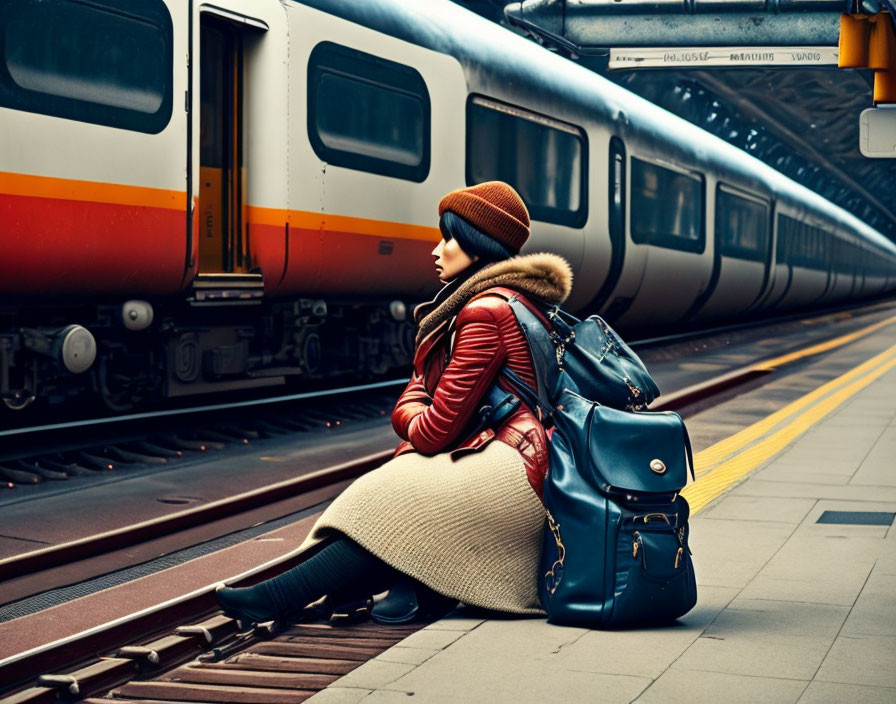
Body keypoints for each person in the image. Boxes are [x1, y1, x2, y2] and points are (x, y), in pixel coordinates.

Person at [216, 181, 573, 624]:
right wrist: (420, 399)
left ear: (479, 247)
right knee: (389, 497)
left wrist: (404, 411)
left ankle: (279, 598)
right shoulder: (510, 299)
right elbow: (431, 398)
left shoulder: (484, 312)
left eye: (448, 238)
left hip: (517, 468)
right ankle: (324, 593)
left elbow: (432, 429)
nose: (436, 250)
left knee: (388, 502)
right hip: (513, 451)